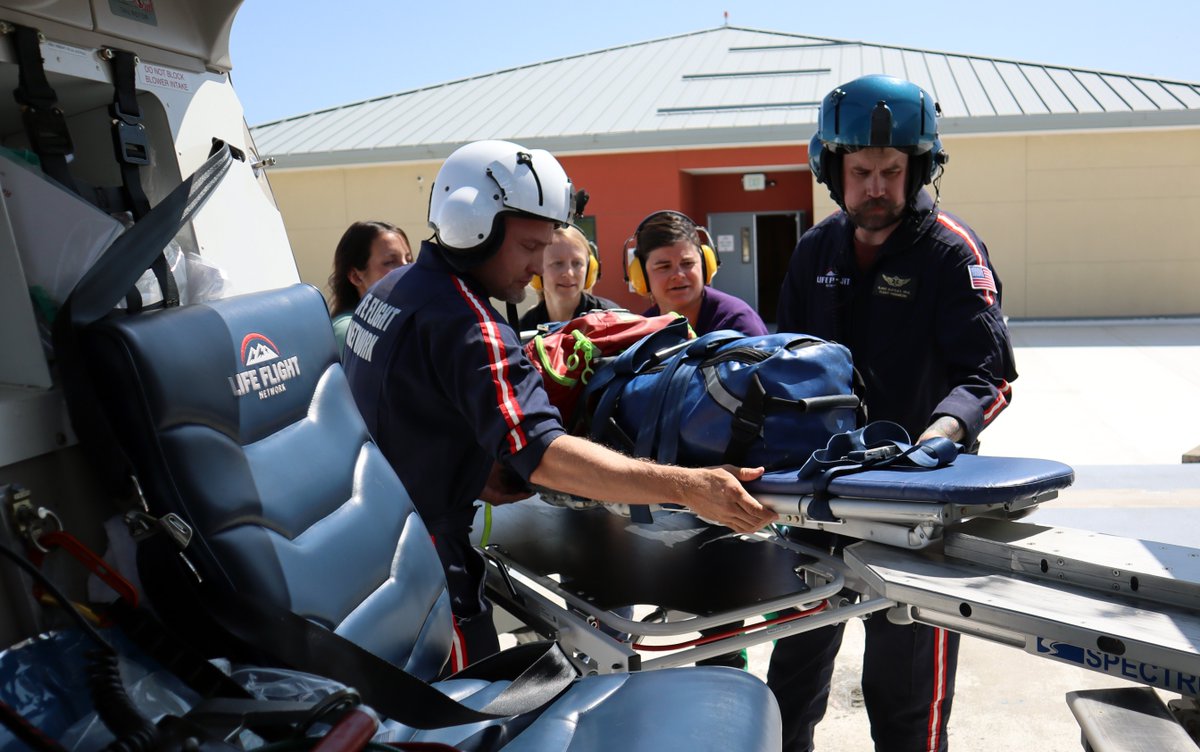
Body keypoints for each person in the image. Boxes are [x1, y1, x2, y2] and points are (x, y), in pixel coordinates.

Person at [342, 140, 777, 663]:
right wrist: (689, 487)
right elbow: (546, 456)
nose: (537, 267)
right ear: (472, 226)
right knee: (459, 720)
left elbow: (401, 408)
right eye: (530, 248)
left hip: (376, 543)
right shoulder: (470, 324)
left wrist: (463, 466)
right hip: (428, 561)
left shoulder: (392, 292)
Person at [768, 74, 1018, 752]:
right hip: (816, 508)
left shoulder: (950, 252)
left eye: (890, 170)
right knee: (788, 685)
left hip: (914, 512)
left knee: (904, 704)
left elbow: (987, 374)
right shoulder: (815, 250)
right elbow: (780, 364)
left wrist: (942, 436)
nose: (875, 186)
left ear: (917, 169)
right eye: (860, 171)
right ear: (833, 170)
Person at [628, 210, 768, 336]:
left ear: (706, 265)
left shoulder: (737, 323)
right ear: (642, 276)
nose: (678, 275)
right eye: (664, 267)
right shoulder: (641, 331)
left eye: (687, 263)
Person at [327, 220, 413, 351]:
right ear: (355, 276)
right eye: (389, 262)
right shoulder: (347, 330)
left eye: (409, 259)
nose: (408, 269)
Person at [519, 223, 618, 329]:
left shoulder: (612, 320)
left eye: (577, 263)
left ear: (590, 269)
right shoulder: (524, 329)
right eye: (557, 263)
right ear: (537, 270)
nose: (569, 273)